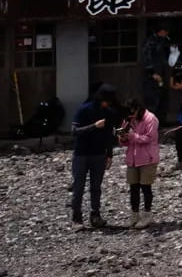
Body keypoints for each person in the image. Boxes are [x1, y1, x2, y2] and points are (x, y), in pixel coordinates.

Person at [69, 85, 119, 229]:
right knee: (79, 186)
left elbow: (110, 134)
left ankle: (95, 215)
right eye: (108, 100)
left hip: (99, 154)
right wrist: (94, 126)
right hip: (81, 154)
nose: (109, 103)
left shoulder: (109, 112)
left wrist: (109, 154)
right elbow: (74, 132)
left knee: (96, 187)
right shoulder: (84, 109)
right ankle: (76, 218)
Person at [117, 98, 161, 227]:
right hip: (132, 159)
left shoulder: (151, 118)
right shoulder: (127, 119)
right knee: (133, 187)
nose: (131, 116)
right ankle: (134, 215)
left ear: (138, 109)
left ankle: (147, 215)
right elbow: (121, 140)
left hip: (147, 158)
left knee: (146, 187)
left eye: (133, 113)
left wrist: (132, 136)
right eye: (129, 114)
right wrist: (122, 137)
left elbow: (150, 138)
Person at [140, 25, 176, 123]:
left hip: (162, 72)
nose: (167, 34)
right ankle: (152, 124)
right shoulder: (150, 42)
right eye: (166, 31)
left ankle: (161, 122)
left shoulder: (164, 40)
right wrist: (152, 73)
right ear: (161, 31)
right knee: (153, 101)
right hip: (152, 76)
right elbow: (146, 58)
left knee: (163, 99)